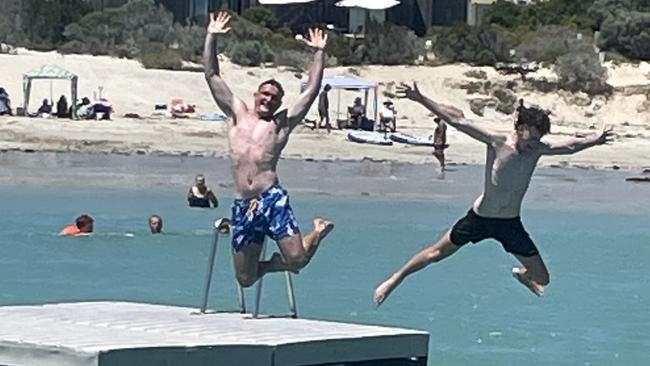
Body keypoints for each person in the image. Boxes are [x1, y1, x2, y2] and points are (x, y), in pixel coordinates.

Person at [374, 84, 614, 305]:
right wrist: (420, 98)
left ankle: (523, 276)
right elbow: (457, 120)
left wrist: (596, 140)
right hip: (480, 217)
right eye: (531, 139)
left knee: (543, 278)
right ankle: (396, 278)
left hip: (509, 223)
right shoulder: (497, 141)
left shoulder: (538, 149)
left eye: (539, 141)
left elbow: (570, 145)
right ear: (521, 129)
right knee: (436, 253)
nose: (534, 146)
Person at [203, 11, 334, 288]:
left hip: (271, 198)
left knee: (297, 259)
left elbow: (310, 91)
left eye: (274, 97)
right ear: (256, 95)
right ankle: (275, 263)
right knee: (245, 278)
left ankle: (317, 232)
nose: (268, 99)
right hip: (243, 203)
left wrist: (318, 54)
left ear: (279, 102)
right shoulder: (237, 113)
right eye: (265, 94)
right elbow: (212, 74)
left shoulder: (281, 124)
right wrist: (211, 36)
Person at [432, 104, 463, 171]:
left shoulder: (441, 124)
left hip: (439, 141)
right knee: (438, 153)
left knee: (438, 153)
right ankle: (441, 164)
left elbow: (441, 133)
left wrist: (440, 141)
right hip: (438, 141)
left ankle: (442, 165)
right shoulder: (441, 124)